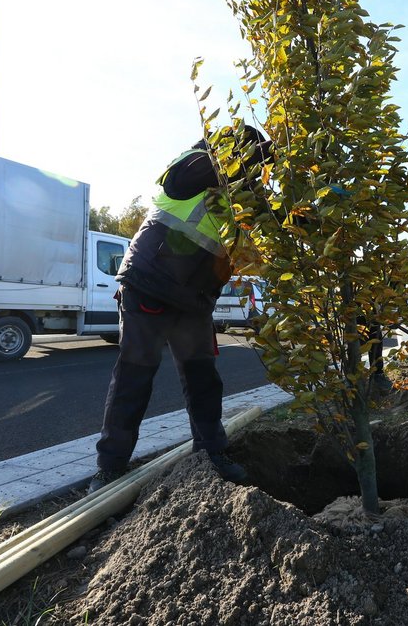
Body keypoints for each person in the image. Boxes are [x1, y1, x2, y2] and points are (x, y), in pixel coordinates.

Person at [87, 125, 272, 494]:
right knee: (134, 376)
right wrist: (264, 152)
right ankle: (110, 467)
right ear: (232, 150)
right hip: (150, 284)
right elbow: (182, 184)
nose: (253, 166)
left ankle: (212, 453)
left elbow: (273, 223)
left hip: (195, 296)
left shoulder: (243, 194)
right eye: (248, 155)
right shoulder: (193, 163)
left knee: (203, 379)